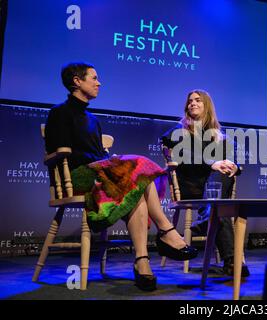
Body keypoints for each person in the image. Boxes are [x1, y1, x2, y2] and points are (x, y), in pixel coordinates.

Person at [44, 62, 197, 291]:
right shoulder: (60, 112)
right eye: (94, 78)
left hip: (99, 175)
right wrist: (103, 163)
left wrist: (107, 161)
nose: (99, 82)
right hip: (77, 179)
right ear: (77, 81)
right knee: (139, 163)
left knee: (139, 193)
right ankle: (166, 230)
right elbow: (60, 151)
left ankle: (142, 261)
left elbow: (96, 154)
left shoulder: (94, 120)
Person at [160, 89, 249, 277]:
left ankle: (209, 217)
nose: (192, 103)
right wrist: (212, 163)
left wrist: (234, 167)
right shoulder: (179, 131)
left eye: (198, 100)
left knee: (223, 177)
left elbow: (232, 161)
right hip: (190, 186)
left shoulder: (218, 135)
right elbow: (182, 155)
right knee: (219, 199)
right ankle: (231, 256)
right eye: (190, 101)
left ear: (207, 105)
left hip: (212, 189)